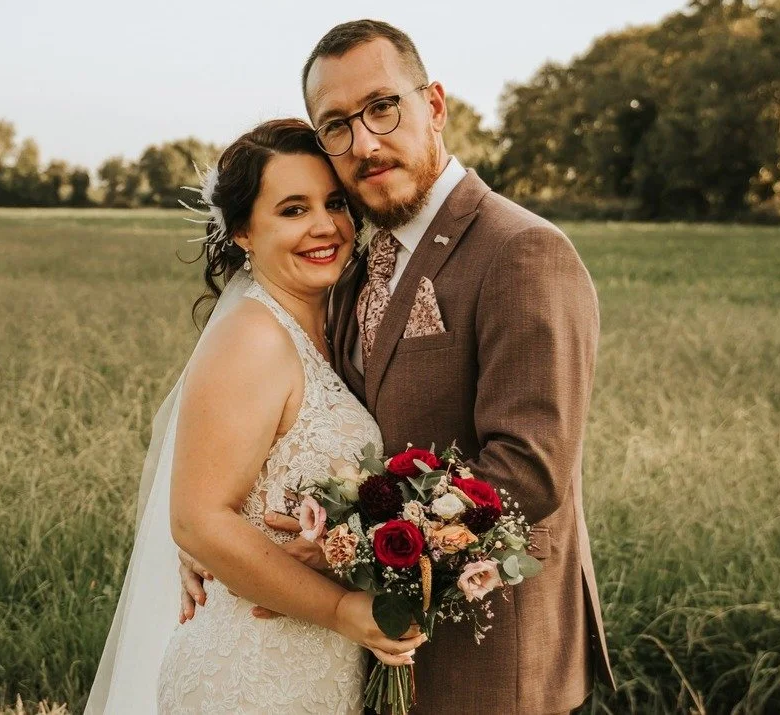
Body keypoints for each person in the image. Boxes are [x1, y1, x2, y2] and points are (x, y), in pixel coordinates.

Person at [181, 19, 616, 714]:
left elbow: (529, 470)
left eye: (382, 108)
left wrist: (346, 550)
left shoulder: (521, 250)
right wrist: (240, 549)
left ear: (434, 106)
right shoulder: (351, 263)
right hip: (366, 655)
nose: (364, 142)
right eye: (335, 126)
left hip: (491, 659)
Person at [85, 118, 426, 715]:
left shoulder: (331, 322)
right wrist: (345, 609)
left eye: (335, 203)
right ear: (243, 230)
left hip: (314, 668)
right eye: (293, 210)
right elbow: (198, 523)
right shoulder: (254, 337)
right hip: (250, 674)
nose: (325, 227)